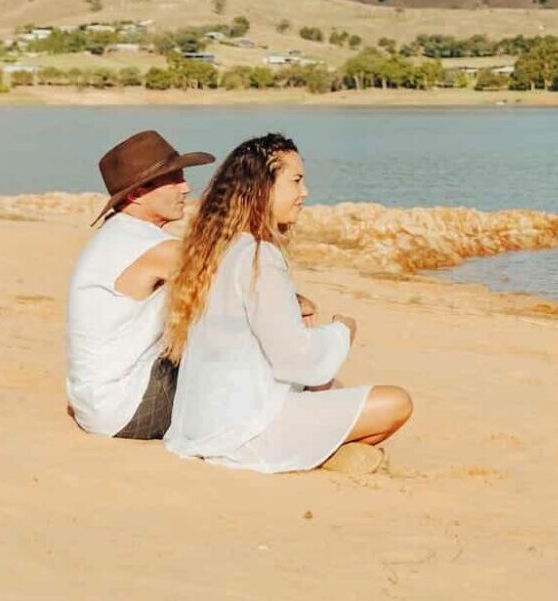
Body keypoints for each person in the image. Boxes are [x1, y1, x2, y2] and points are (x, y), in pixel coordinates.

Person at [163, 133, 412, 473]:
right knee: (396, 403)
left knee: (332, 389)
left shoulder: (218, 248)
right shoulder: (257, 254)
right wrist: (342, 331)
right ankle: (325, 455)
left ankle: (326, 449)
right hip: (243, 429)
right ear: (262, 188)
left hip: (201, 422)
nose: (304, 193)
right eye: (296, 181)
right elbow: (294, 359)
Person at [66, 129, 214, 439]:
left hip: (100, 403)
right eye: (172, 180)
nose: (186, 188)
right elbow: (234, 281)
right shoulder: (146, 246)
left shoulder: (123, 234)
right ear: (135, 195)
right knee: (241, 372)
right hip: (125, 407)